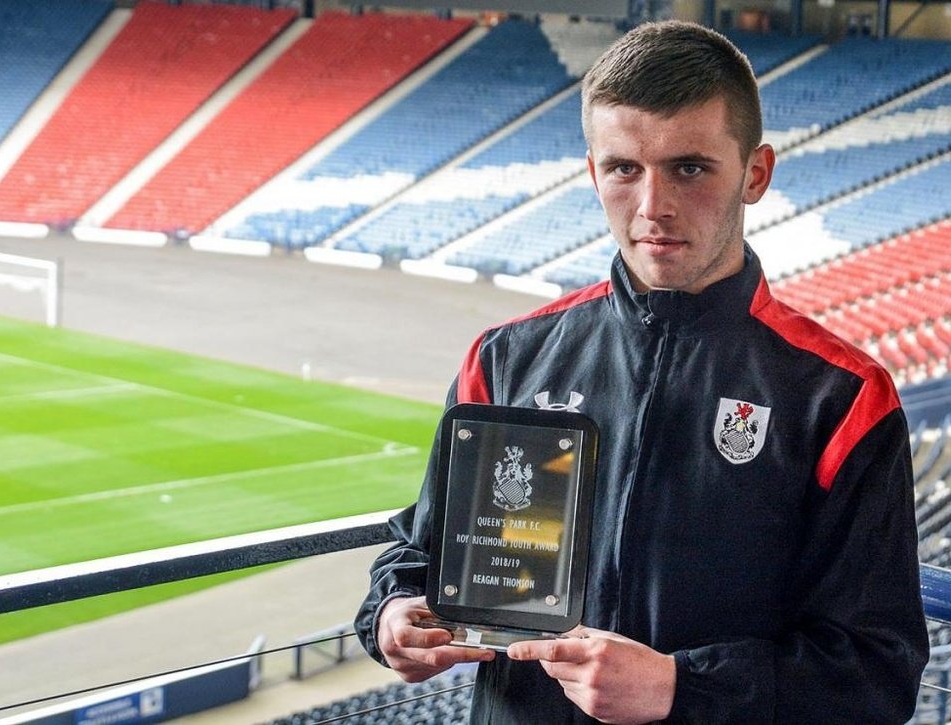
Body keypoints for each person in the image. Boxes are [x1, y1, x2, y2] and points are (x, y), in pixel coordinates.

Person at [355, 20, 929, 724]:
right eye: (625, 168)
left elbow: (877, 674)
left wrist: (681, 688)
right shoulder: (505, 359)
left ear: (755, 172)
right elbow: (422, 551)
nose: (653, 206)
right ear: (593, 172)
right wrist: (393, 613)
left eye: (689, 167)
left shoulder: (840, 398)